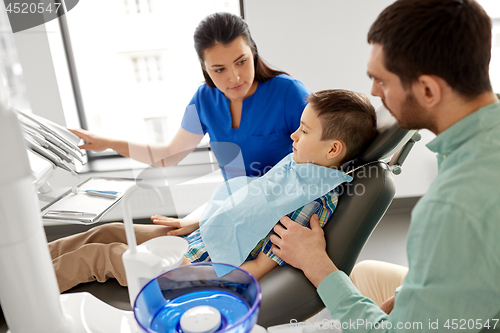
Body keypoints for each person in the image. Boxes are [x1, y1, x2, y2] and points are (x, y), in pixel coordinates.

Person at [271, 0, 500, 331]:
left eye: (382, 81)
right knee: (364, 275)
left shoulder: (453, 208)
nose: (375, 92)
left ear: (427, 89)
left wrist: (316, 263)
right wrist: (413, 299)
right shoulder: (475, 137)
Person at [50, 89, 377, 291]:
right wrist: (192, 224)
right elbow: (242, 204)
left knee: (97, 257)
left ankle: (20, 293)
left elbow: (260, 267)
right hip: (196, 241)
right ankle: (30, 264)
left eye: (303, 131)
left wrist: (191, 278)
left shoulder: (310, 202)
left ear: (333, 150)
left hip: (192, 267)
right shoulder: (300, 167)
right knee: (109, 231)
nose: (293, 135)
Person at [70, 12, 309, 231]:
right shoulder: (205, 100)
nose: (234, 77)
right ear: (205, 68)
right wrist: (110, 143)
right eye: (219, 69)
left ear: (253, 52)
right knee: (108, 231)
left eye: (241, 61)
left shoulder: (288, 93)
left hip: (279, 216)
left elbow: (316, 167)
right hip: (232, 211)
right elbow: (169, 156)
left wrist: (203, 219)